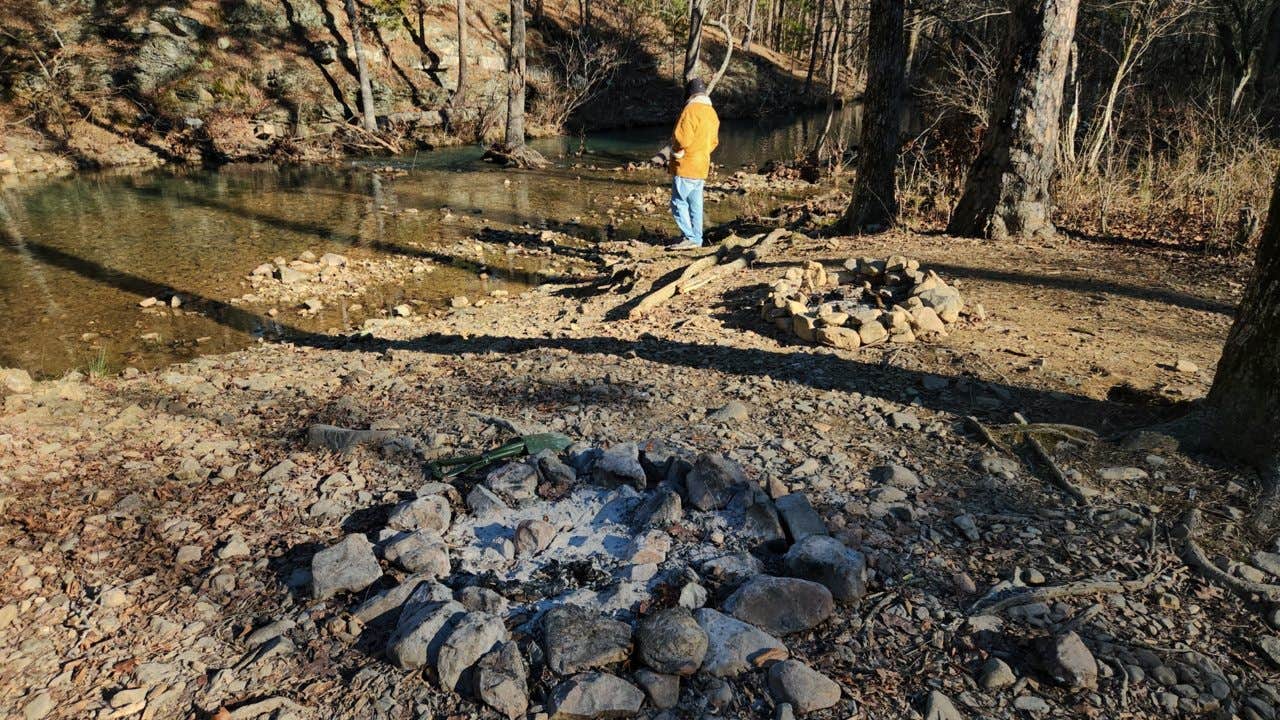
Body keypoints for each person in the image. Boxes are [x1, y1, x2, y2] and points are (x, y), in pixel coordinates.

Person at [667, 78, 720, 249]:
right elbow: (714, 142)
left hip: (686, 164)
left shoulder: (690, 110)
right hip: (702, 165)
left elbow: (682, 138)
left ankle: (689, 237)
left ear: (689, 94)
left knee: (678, 202)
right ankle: (697, 238)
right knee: (696, 204)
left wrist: (675, 152)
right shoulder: (712, 113)